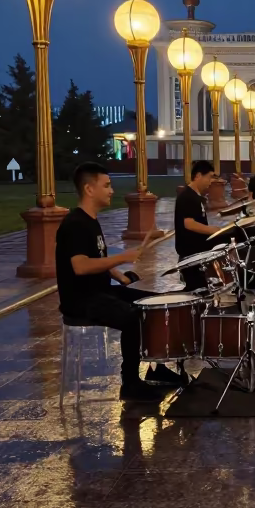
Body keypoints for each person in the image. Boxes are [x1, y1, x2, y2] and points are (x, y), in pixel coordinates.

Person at [55, 163, 178, 401]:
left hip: (100, 292)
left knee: (153, 304)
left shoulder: (90, 220)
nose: (112, 190)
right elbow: (80, 266)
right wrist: (123, 256)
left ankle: (156, 366)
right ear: (89, 189)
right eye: (107, 185)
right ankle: (130, 384)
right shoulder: (74, 224)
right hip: (81, 300)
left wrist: (120, 276)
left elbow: (97, 258)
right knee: (132, 317)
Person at [174, 159, 225, 291]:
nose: (211, 181)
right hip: (191, 254)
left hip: (199, 252)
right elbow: (189, 224)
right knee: (196, 291)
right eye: (209, 177)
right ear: (198, 176)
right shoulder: (187, 196)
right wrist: (212, 230)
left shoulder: (195, 197)